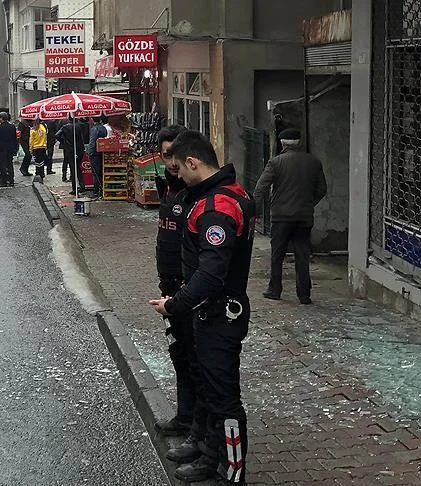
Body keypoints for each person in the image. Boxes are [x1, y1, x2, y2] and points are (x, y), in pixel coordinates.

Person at [149, 130, 254, 484]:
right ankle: (210, 454)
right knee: (208, 387)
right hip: (209, 311)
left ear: (193, 162)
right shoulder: (215, 195)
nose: (177, 175)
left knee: (224, 398)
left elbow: (211, 272)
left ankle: (232, 471)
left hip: (220, 312)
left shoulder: (218, 206)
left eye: (180, 167)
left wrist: (174, 305)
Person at [151, 125, 205, 445]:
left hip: (190, 289)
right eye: (167, 155)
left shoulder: (195, 193)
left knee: (194, 358)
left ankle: (198, 429)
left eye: (177, 155)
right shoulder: (169, 189)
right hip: (169, 287)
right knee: (179, 354)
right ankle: (186, 417)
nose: (172, 162)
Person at [252, 128, 327, 305]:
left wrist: (253, 209)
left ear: (282, 143)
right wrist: (309, 203)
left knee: (277, 254)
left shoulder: (276, 163)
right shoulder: (313, 162)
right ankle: (304, 294)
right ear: (299, 143)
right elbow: (322, 189)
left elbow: (261, 188)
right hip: (304, 216)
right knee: (302, 254)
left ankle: (275, 289)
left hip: (281, 216)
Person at [55, 117, 89, 195]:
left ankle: (74, 188)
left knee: (73, 169)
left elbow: (57, 135)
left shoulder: (65, 127)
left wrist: (64, 141)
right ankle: (82, 186)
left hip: (70, 150)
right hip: (80, 149)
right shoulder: (80, 126)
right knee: (78, 169)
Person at [87, 115, 110, 199]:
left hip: (95, 153)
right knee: (101, 172)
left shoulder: (94, 129)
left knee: (95, 173)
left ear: (92, 120)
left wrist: (89, 152)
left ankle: (96, 191)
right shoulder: (103, 128)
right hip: (102, 152)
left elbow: (92, 142)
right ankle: (102, 189)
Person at [0, 112, 18, 187]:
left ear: (1, 118)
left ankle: (4, 180)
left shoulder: (0, 127)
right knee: (10, 164)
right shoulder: (12, 127)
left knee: (2, 164)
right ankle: (11, 180)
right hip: (10, 148)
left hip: (1, 149)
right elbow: (14, 138)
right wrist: (15, 148)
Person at [29, 118, 48, 182]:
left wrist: (30, 149)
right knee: (41, 161)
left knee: (37, 162)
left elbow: (31, 140)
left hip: (36, 147)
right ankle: (42, 173)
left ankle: (38, 173)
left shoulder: (33, 130)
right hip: (43, 146)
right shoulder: (43, 127)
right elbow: (46, 135)